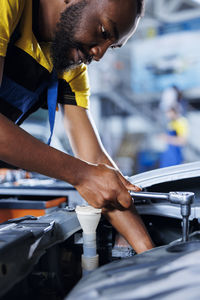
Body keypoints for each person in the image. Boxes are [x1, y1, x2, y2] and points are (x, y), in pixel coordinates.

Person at [0, 0, 154, 253]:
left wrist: (148, 253)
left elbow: (95, 162)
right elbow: (88, 173)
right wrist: (81, 174)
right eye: (104, 32)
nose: (100, 54)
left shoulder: (68, 66)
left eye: (111, 46)